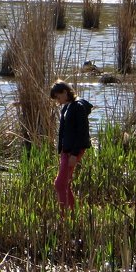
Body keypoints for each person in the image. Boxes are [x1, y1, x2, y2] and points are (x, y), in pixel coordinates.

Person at [49, 80, 92, 210]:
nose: (58, 100)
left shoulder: (78, 107)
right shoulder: (66, 107)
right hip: (65, 150)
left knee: (59, 184)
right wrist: (61, 151)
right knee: (64, 184)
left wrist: (74, 154)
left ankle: (65, 218)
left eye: (58, 96)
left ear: (65, 92)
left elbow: (82, 132)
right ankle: (72, 216)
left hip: (73, 151)